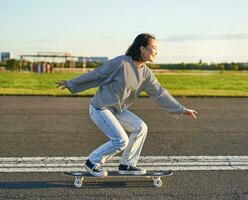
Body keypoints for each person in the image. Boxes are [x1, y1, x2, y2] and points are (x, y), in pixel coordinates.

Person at [56, 33, 198, 177]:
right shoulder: (121, 63)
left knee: (140, 127)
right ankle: (92, 162)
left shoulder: (146, 73)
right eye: (153, 47)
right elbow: (97, 74)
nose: (156, 51)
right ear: (142, 49)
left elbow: (160, 93)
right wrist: (70, 83)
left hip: (117, 110)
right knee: (120, 140)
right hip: (100, 108)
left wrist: (181, 109)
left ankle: (127, 164)